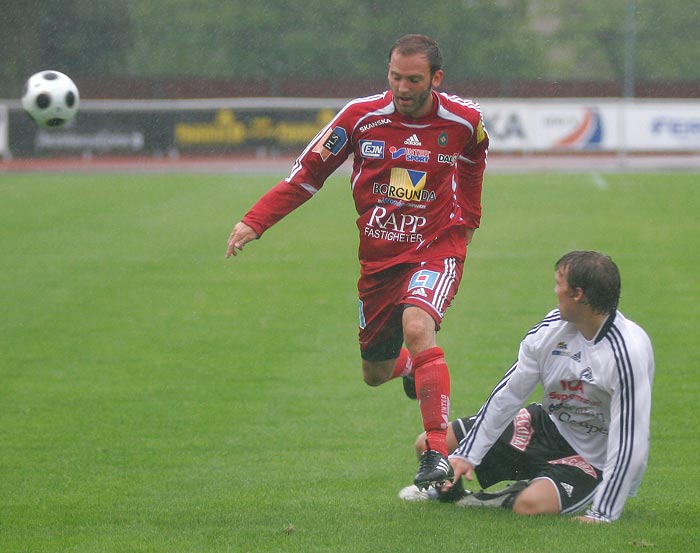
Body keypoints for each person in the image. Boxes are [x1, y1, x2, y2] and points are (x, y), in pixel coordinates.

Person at [226, 34, 489, 487]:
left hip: (435, 249)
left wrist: (468, 220)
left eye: (413, 80)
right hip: (379, 261)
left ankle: (436, 452)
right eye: (395, 77)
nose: (403, 88)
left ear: (436, 79)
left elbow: (473, 159)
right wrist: (256, 220)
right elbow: (307, 175)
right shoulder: (359, 118)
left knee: (417, 327)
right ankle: (408, 369)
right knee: (375, 373)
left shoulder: (463, 120)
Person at [399, 251, 655, 523]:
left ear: (578, 294)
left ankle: (504, 497)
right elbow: (509, 394)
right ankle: (450, 494)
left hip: (593, 457)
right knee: (429, 447)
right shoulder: (552, 329)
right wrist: (467, 455)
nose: (555, 290)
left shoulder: (627, 352)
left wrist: (603, 512)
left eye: (559, 284)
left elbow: (631, 441)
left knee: (530, 505)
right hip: (548, 425)